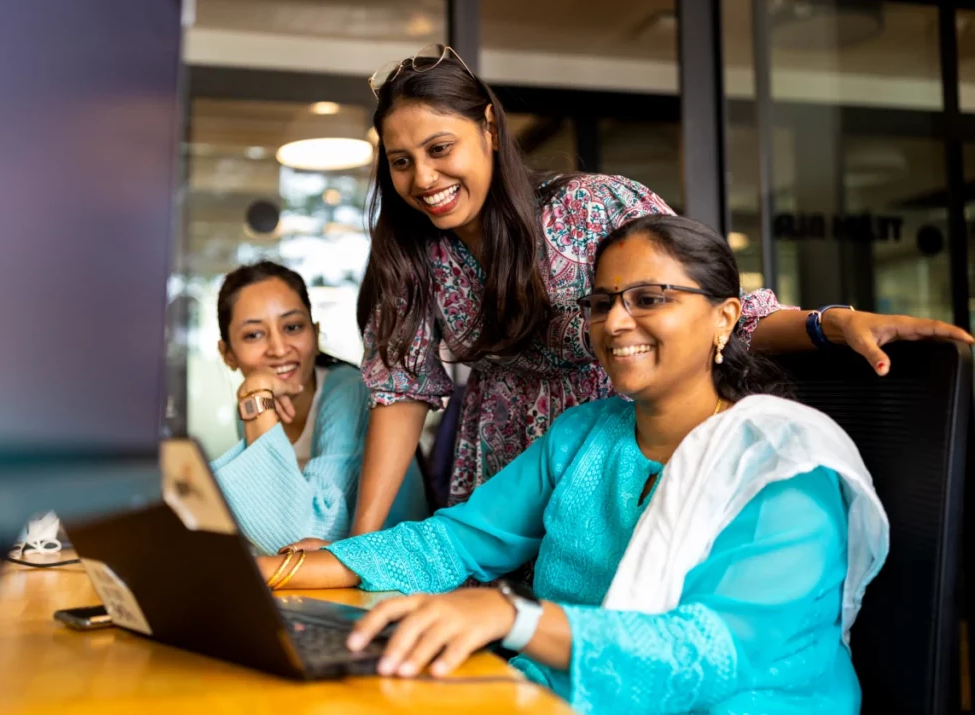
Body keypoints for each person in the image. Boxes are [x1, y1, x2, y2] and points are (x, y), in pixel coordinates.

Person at [331, 44, 971, 545]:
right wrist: (357, 545)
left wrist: (830, 324)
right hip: (502, 465)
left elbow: (711, 311)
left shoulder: (594, 206)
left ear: (490, 129)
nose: (424, 177)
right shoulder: (413, 254)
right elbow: (401, 392)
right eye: (401, 161)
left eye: (440, 148)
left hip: (625, 443)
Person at [256, 215, 890, 714]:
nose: (616, 323)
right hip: (558, 695)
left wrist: (514, 618)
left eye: (650, 298)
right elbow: (454, 542)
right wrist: (272, 572)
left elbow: (707, 654)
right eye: (602, 301)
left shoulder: (781, 467)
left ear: (725, 318)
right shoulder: (586, 435)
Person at [209, 261, 428, 554]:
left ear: (314, 333)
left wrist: (256, 395)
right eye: (254, 335)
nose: (278, 348)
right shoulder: (259, 403)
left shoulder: (347, 392)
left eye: (292, 327)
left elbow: (304, 534)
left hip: (398, 576)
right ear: (228, 354)